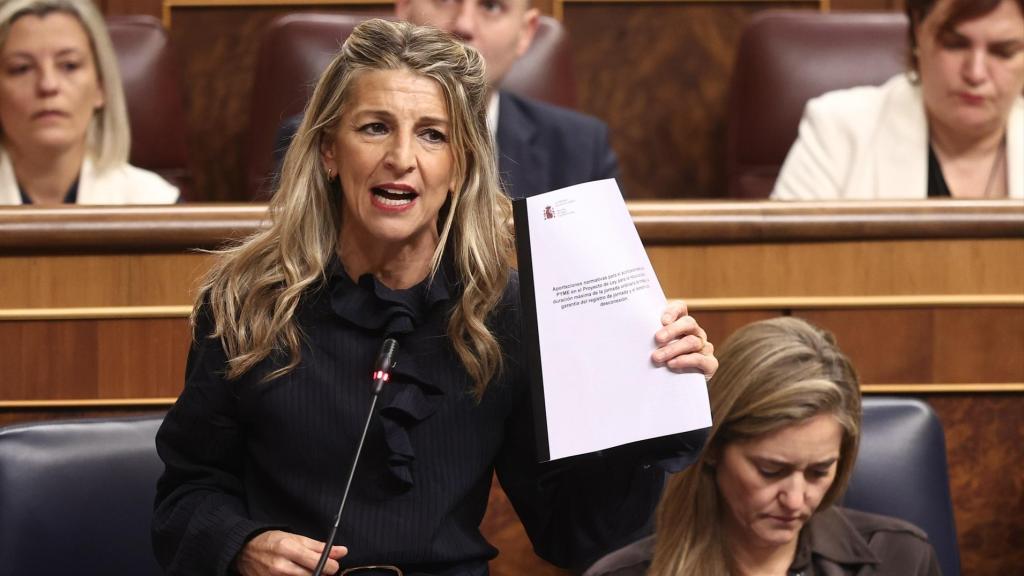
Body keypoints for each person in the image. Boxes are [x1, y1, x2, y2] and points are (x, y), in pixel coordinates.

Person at [153, 19, 715, 576]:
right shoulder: (248, 302)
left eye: (432, 134)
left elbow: (573, 536)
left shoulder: (505, 315)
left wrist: (649, 406)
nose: (401, 157)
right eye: (374, 127)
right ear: (329, 152)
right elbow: (185, 497)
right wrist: (242, 545)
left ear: (460, 167)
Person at [584, 317, 941, 576]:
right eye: (771, 471)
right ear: (713, 450)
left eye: (819, 472)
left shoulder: (902, 559)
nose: (796, 500)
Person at [273, 0, 619, 199]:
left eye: (491, 5)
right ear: (405, 7)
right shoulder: (311, 139)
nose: (464, 24)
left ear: (525, 32)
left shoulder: (579, 148)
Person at [772, 0, 1023, 200]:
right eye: (954, 44)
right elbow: (780, 261)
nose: (975, 73)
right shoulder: (836, 132)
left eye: (1004, 52)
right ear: (917, 30)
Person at [0, 0, 178, 205]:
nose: (48, 85)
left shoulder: (155, 203)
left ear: (100, 86)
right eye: (21, 68)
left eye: (69, 65)